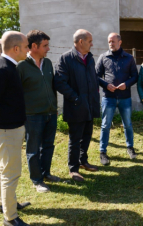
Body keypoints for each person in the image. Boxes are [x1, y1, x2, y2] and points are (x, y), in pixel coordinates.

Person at [0, 31, 30, 226]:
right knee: (11, 172)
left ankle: (6, 204)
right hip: (6, 130)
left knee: (4, 169)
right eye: (27, 46)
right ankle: (10, 218)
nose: (28, 50)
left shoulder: (10, 66)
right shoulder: (2, 69)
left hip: (10, 128)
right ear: (16, 48)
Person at [16, 30, 60, 193]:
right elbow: (16, 93)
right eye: (45, 45)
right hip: (32, 116)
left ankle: (46, 173)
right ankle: (37, 180)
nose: (48, 49)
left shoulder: (47, 63)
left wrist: (54, 107)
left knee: (48, 146)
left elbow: (52, 87)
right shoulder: (21, 66)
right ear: (33, 46)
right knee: (33, 149)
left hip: (50, 113)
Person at [54, 29, 100, 182]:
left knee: (87, 135)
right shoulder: (66, 58)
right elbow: (60, 82)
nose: (92, 44)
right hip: (76, 106)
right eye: (90, 41)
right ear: (81, 42)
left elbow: (92, 79)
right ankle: (73, 169)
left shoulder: (90, 58)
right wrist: (76, 98)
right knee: (75, 139)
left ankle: (83, 161)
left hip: (89, 104)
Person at [96, 33, 139, 165]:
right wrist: (105, 85)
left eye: (113, 41)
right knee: (105, 125)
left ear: (120, 42)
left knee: (128, 124)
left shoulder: (129, 58)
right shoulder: (103, 57)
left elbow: (135, 76)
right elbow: (96, 75)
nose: (111, 44)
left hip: (125, 98)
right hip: (108, 98)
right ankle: (102, 151)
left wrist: (126, 84)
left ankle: (130, 148)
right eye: (109, 41)